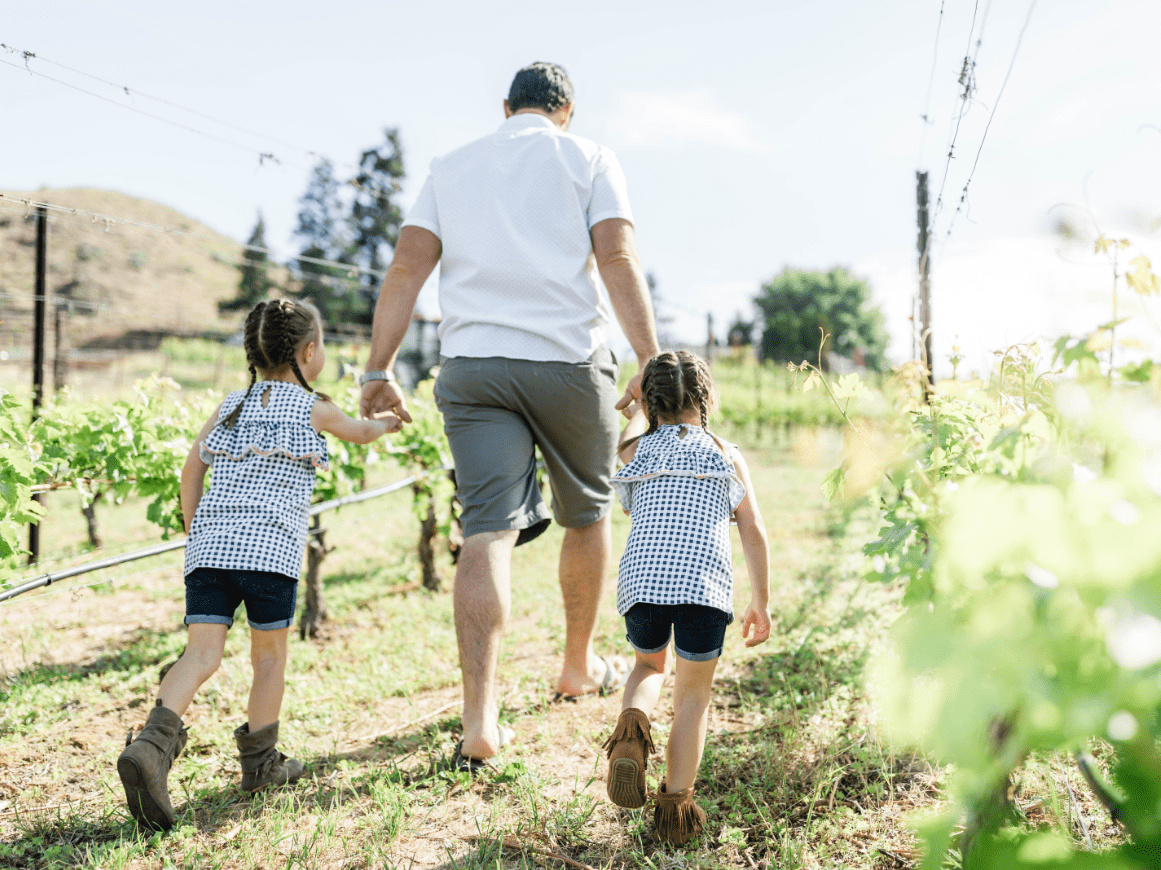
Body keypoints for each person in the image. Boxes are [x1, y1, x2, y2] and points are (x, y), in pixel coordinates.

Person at [359, 62, 661, 770]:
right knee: (585, 515)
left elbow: (406, 267)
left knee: (485, 532)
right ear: (565, 110)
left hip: (474, 366)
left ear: (505, 108)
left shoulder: (452, 164)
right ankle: (576, 665)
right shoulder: (589, 156)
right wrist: (647, 358)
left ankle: (479, 721)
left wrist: (377, 369)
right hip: (567, 362)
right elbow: (615, 254)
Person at [117, 299, 400, 830]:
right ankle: (261, 765)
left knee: (200, 655)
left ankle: (152, 749)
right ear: (309, 351)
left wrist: (194, 528)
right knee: (268, 658)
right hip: (270, 555)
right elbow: (360, 433)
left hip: (209, 552)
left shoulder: (230, 405)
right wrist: (385, 423)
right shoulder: (311, 406)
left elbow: (191, 467)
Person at [600, 350, 772, 846]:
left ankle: (632, 733)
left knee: (649, 668)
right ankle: (675, 811)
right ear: (707, 398)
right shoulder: (725, 453)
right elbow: (754, 530)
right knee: (693, 697)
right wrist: (761, 599)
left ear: (649, 403)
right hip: (703, 588)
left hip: (643, 585)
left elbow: (626, 441)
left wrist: (634, 402)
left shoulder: (637, 452)